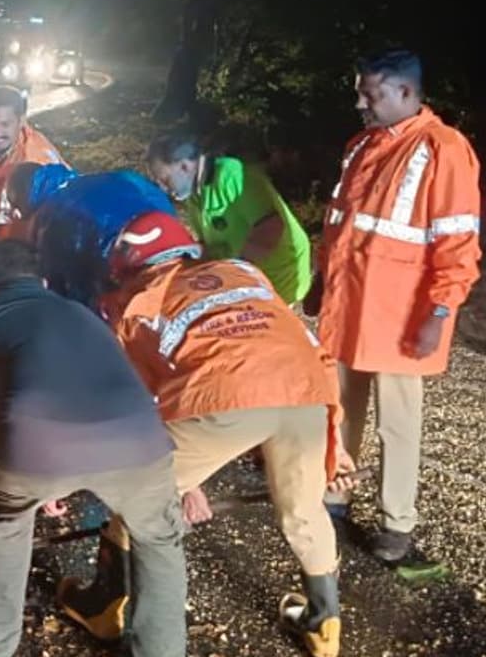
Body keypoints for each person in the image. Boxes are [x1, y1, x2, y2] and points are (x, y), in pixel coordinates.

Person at [98, 211, 359, 657]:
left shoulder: (136, 305)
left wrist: (186, 484)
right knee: (303, 510)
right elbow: (300, 343)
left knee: (137, 495)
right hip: (307, 393)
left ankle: (105, 606)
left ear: (130, 268)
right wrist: (334, 450)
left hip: (226, 400)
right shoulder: (243, 271)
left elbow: (144, 407)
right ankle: (323, 624)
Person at [0, 239, 186, 657]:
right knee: (160, 539)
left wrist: (20, 476)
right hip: (138, 440)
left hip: (35, 443)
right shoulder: (78, 310)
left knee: (5, 528)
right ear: (41, 280)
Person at [306, 49, 482, 561]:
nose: (360, 102)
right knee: (338, 410)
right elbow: (342, 224)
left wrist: (440, 312)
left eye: (371, 93)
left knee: (398, 425)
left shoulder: (445, 150)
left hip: (402, 318)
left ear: (407, 93)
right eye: (360, 91)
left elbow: (458, 244)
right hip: (349, 307)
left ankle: (396, 523)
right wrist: (322, 280)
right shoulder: (361, 145)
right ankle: (334, 496)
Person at [145, 134, 313, 304]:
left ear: (184, 166)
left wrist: (234, 276)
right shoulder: (194, 196)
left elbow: (270, 228)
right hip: (246, 278)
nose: (164, 188)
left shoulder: (231, 176)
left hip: (280, 276)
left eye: (165, 179)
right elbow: (207, 245)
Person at [3, 162, 175, 308]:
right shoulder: (115, 178)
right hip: (172, 253)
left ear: (22, 199)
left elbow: (66, 287)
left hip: (128, 284)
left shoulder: (47, 220)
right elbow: (154, 197)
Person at [0, 85, 67, 236]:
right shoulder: (13, 144)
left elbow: (27, 230)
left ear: (22, 120)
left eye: (5, 124)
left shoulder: (31, 165)